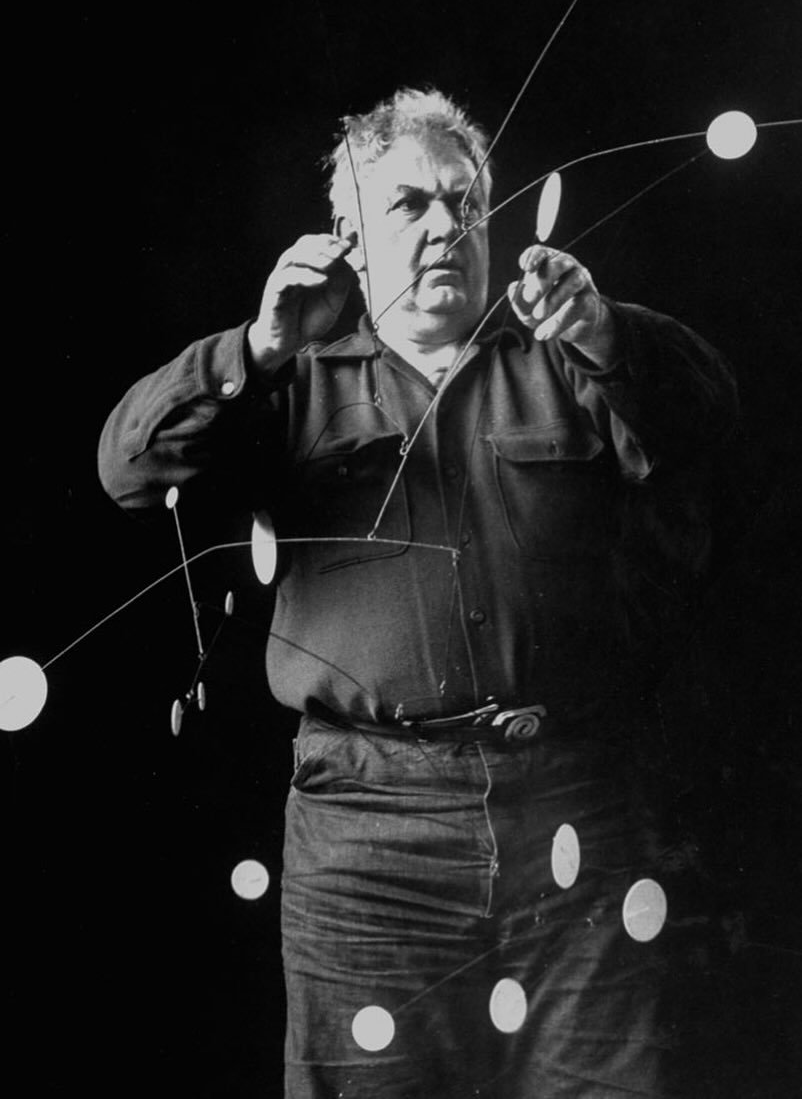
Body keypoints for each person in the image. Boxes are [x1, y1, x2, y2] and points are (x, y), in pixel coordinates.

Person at [98, 87, 739, 1098]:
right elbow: (130, 469)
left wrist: (605, 330)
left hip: (578, 807)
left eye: (466, 202)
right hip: (367, 833)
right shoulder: (291, 380)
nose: (448, 225)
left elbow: (708, 419)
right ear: (345, 236)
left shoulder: (572, 351)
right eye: (409, 204)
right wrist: (257, 349)